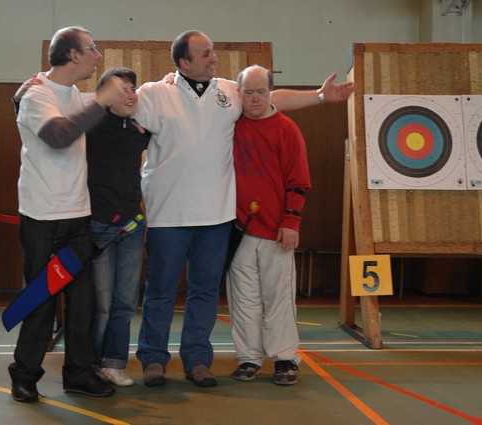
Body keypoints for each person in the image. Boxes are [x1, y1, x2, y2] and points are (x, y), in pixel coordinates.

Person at [133, 30, 353, 387]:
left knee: (205, 292)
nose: (214, 58)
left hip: (217, 219)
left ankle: (197, 360)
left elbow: (269, 98)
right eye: (206, 53)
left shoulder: (229, 91)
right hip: (167, 216)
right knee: (160, 291)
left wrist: (319, 96)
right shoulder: (155, 92)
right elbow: (116, 106)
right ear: (184, 62)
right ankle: (153, 359)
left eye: (213, 51)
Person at [8, 25, 125, 402]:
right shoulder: (36, 95)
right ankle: (24, 375)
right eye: (92, 48)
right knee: (40, 300)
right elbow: (59, 136)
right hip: (42, 217)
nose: (98, 55)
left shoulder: (72, 93)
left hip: (77, 216)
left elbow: (93, 112)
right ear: (73, 54)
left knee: (82, 302)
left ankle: (77, 373)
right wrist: (101, 99)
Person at [227, 65, 310, 386]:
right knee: (243, 299)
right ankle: (248, 358)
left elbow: (298, 180)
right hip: (238, 231)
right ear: (239, 93)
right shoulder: (230, 124)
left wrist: (291, 221)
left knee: (279, 297)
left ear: (270, 92)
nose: (255, 99)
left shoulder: (287, 128)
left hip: (277, 231)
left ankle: (285, 358)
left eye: (261, 92)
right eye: (248, 92)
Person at [87, 68, 150, 387]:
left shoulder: (140, 130)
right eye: (122, 89)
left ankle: (113, 363)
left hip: (132, 227)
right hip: (99, 227)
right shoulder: (91, 127)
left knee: (125, 302)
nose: (130, 94)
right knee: (101, 303)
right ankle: (90, 364)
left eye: (133, 88)